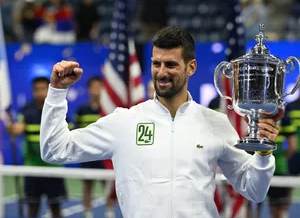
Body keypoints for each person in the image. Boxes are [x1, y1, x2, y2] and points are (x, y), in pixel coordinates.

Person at [40, 27, 281, 218]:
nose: (162, 72)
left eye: (171, 64)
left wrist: (262, 155)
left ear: (191, 67)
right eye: (157, 64)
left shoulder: (216, 123)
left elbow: (254, 191)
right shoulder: (124, 122)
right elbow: (54, 150)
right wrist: (57, 92)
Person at [7, 77, 67, 218]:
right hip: (32, 167)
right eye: (36, 89)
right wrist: (12, 128)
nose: (40, 93)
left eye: (43, 89)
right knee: (33, 207)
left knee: (56, 208)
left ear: (49, 89)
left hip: (54, 167)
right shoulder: (26, 111)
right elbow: (18, 129)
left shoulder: (57, 109)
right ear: (33, 91)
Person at [74, 76, 116, 218]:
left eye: (100, 86)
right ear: (89, 89)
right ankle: (88, 213)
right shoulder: (82, 110)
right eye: (94, 87)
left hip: (105, 155)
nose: (97, 90)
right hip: (87, 156)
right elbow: (76, 131)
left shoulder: (109, 110)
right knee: (87, 185)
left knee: (108, 186)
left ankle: (109, 212)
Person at [266, 113, 297, 218]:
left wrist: (282, 159)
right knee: (273, 204)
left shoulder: (285, 118)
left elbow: (292, 145)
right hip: (270, 167)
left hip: (279, 169)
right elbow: (293, 145)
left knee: (279, 203)